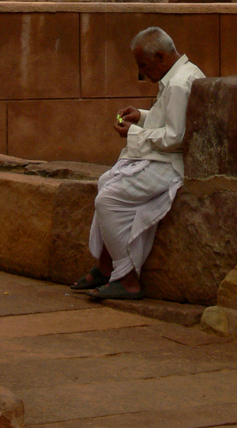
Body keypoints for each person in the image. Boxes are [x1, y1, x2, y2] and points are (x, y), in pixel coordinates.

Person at [70, 26, 204, 300]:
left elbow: (175, 137)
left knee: (107, 200)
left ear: (161, 59)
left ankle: (127, 280)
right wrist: (141, 116)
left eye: (144, 65)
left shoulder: (179, 84)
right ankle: (106, 267)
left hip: (170, 165)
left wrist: (133, 133)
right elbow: (167, 119)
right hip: (159, 158)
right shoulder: (177, 75)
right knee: (105, 182)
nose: (142, 72)